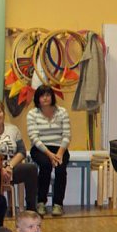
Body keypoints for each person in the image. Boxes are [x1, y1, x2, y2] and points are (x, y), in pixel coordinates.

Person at [0, 98, 39, 215]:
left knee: (31, 168)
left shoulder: (13, 129)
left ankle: (31, 210)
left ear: (3, 113)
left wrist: (9, 166)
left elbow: (22, 151)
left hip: (10, 168)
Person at [26, 85, 72, 217]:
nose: (45, 98)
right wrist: (49, 154)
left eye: (48, 95)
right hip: (40, 148)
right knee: (45, 165)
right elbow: (34, 137)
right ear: (37, 98)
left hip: (60, 148)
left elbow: (67, 135)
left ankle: (58, 204)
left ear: (52, 96)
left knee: (61, 168)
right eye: (42, 95)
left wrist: (59, 154)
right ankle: (41, 202)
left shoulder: (62, 112)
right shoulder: (32, 114)